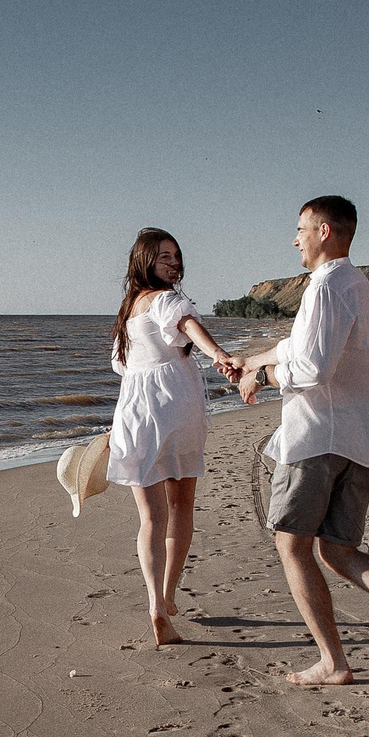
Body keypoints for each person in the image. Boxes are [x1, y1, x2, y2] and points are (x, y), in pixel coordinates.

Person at [231, 196, 369, 685]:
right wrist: (253, 360)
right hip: (359, 438)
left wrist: (262, 377)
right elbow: (300, 347)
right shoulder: (354, 283)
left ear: (325, 231)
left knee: (292, 546)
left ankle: (334, 663)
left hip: (317, 439)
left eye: (301, 229)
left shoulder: (326, 286)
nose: (295, 239)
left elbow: (311, 367)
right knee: (338, 550)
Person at [107, 227, 242, 646]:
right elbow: (187, 324)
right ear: (145, 260)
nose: (173, 263)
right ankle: (166, 597)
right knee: (181, 507)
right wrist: (220, 355)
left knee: (150, 517)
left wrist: (120, 425)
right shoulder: (168, 300)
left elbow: (124, 372)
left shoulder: (128, 315)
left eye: (177, 257)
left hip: (135, 414)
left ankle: (156, 603)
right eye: (164, 256)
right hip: (176, 411)